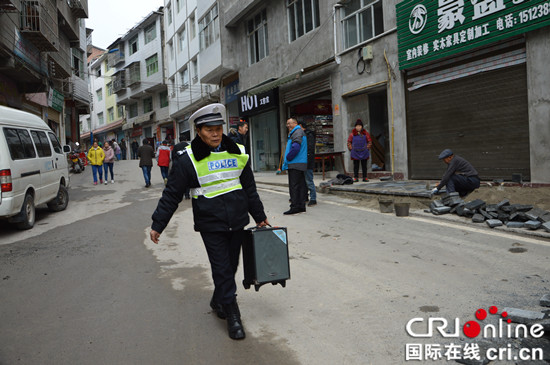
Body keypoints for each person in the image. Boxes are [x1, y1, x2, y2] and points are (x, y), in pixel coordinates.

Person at [149, 103, 269, 340]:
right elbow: (172, 194)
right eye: (209, 129)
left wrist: (260, 216)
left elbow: (249, 189)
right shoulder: (187, 160)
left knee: (231, 266)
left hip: (237, 220)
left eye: (218, 128)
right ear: (198, 131)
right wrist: (158, 224)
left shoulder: (237, 152)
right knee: (222, 268)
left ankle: (218, 299)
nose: (215, 134)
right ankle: (233, 314)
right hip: (210, 224)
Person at [282, 117, 308, 215]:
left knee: (294, 186)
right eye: (287, 124)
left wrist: (288, 157)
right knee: (300, 185)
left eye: (290, 123)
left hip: (295, 163)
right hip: (300, 163)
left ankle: (295, 207)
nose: (288, 125)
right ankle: (301, 206)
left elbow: (296, 147)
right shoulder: (299, 131)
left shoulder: (296, 132)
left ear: (295, 123)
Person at [298, 121, 317, 206]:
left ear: (301, 127)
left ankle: (313, 198)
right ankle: (305, 196)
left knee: (309, 180)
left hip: (307, 161)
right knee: (303, 181)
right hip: (302, 161)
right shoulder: (302, 135)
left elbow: (309, 149)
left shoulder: (309, 135)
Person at [171, 133, 191, 199]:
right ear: (186, 140)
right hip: (189, 165)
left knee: (181, 180)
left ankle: (181, 193)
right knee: (188, 180)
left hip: (179, 165)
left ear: (179, 140)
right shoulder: (189, 145)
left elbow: (173, 156)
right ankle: (187, 194)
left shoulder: (176, 146)